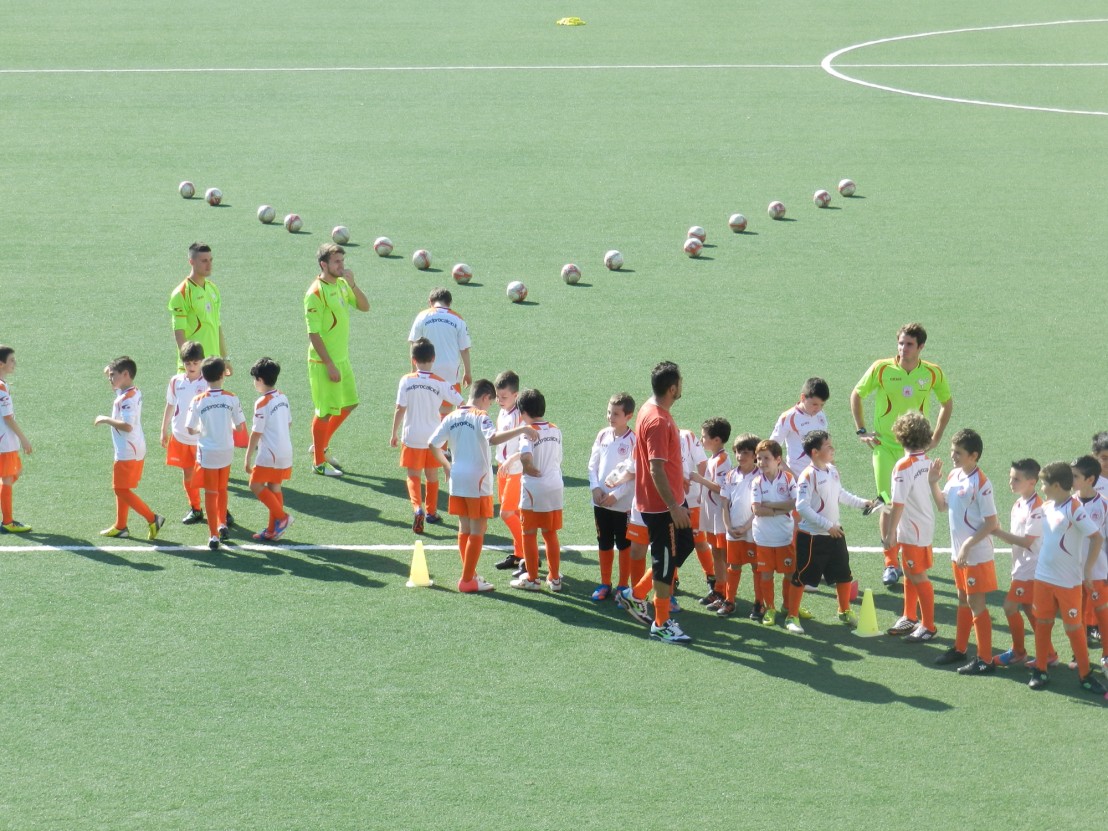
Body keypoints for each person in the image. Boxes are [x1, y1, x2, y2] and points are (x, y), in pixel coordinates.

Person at [851, 323, 953, 587]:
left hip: (916, 450)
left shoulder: (932, 373)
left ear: (920, 347)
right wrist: (861, 430)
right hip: (885, 447)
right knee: (887, 501)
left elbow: (946, 402)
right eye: (900, 343)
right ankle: (890, 562)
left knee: (915, 502)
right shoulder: (882, 368)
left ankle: (916, 557)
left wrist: (937, 436)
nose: (902, 348)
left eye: (909, 344)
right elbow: (857, 394)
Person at [428, 379, 536, 593]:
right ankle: (467, 579)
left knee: (464, 528)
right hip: (477, 481)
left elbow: (432, 444)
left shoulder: (452, 416)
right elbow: (493, 439)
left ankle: (471, 574)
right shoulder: (481, 417)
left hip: (457, 478)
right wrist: (522, 429)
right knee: (478, 529)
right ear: (486, 397)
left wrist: (447, 466)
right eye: (491, 401)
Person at [618, 361, 695, 644]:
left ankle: (635, 593)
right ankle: (661, 623)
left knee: (683, 546)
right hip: (663, 507)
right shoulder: (659, 421)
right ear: (672, 388)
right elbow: (656, 468)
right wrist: (674, 506)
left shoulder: (650, 411)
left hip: (671, 501)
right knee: (664, 563)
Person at [1025, 462, 1106, 694]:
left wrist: (1088, 570)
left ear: (1057, 485)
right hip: (1043, 578)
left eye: (1044, 484)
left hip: (1068, 581)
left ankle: (1085, 675)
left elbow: (1097, 538)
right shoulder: (1049, 506)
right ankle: (1040, 670)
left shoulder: (1074, 509)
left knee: (1074, 628)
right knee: (1042, 623)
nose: (1041, 488)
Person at [789, 430, 877, 633]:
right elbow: (801, 507)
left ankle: (844, 610)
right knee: (801, 577)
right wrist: (827, 525)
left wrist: (864, 503)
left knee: (844, 574)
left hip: (835, 533)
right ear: (815, 452)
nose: (833, 449)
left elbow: (841, 494)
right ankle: (792, 616)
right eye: (828, 446)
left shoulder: (831, 470)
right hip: (812, 537)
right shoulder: (807, 476)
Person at [928, 428, 999, 674]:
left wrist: (968, 545)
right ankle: (960, 648)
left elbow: (992, 523)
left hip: (975, 555)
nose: (952, 456)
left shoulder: (981, 483)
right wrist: (933, 483)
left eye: (958, 453)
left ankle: (986, 659)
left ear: (974, 455)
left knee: (975, 602)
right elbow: (941, 506)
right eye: (952, 451)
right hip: (958, 553)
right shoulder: (954, 475)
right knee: (962, 599)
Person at [305, 243, 369, 476]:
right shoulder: (315, 293)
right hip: (323, 362)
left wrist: (352, 284)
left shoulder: (342, 284)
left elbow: (364, 306)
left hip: (342, 358)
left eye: (342, 261)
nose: (342, 265)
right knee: (324, 411)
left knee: (349, 403)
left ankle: (319, 447)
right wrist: (329, 364)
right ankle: (318, 463)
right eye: (337, 262)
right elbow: (313, 333)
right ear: (324, 265)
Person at [390, 338, 463, 532]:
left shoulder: (406, 380)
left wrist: (394, 433)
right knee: (432, 475)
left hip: (412, 435)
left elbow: (400, 408)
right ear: (433, 358)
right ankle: (431, 512)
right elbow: (461, 402)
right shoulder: (440, 382)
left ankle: (417, 508)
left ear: (413, 359)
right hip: (434, 438)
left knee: (413, 475)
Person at [93, 357, 164, 540]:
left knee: (120, 490)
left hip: (127, 451)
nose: (110, 379)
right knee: (122, 487)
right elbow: (115, 375)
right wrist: (111, 370)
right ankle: (121, 526)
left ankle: (152, 518)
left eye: (112, 376)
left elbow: (127, 425)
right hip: (133, 447)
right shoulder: (130, 389)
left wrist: (104, 419)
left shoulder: (126, 399)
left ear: (125, 375)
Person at [884, 412, 940, 642]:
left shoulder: (903, 465)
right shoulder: (927, 462)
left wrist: (890, 534)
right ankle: (909, 615)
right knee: (910, 571)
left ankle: (928, 625)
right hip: (924, 524)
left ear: (900, 437)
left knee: (917, 575)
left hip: (911, 529)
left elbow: (898, 503)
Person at [186, 357, 246, 550]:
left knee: (210, 493)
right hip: (226, 450)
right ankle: (222, 524)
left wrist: (202, 430)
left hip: (208, 452)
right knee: (223, 488)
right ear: (222, 375)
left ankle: (213, 535)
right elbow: (240, 427)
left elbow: (189, 429)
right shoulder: (232, 397)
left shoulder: (197, 400)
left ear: (203, 376)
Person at [509, 389, 565, 592]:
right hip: (555, 486)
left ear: (522, 412)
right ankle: (555, 578)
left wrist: (530, 468)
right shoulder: (555, 430)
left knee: (529, 533)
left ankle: (532, 578)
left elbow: (525, 456)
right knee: (550, 533)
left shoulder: (528, 431)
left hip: (535, 489)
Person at [989, 458, 1043, 665]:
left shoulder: (1037, 508)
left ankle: (1019, 651)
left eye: (1016, 479)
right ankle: (1049, 653)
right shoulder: (1019, 503)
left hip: (1031, 569)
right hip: (1020, 566)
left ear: (1031, 481)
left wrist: (997, 532)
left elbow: (1027, 541)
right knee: (1029, 609)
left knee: (1010, 607)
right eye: (1011, 477)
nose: (1011, 482)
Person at [587, 393, 636, 601]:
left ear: (628, 416)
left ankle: (623, 586)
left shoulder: (634, 441)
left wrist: (616, 495)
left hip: (622, 505)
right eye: (609, 412)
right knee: (604, 542)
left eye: (616, 413)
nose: (610, 417)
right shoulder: (602, 435)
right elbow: (592, 465)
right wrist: (595, 488)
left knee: (624, 545)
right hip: (600, 502)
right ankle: (605, 583)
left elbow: (634, 474)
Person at [244, 358, 293, 541]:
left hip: (269, 454)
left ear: (260, 380)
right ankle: (273, 531)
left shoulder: (261, 403)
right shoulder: (282, 396)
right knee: (274, 487)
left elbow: (256, 432)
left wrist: (247, 457)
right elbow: (289, 423)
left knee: (254, 485)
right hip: (285, 451)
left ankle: (282, 518)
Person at [161, 341, 209, 525]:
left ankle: (222, 511)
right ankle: (196, 508)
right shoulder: (176, 381)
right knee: (188, 474)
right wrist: (163, 430)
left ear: (202, 362)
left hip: (201, 439)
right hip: (180, 436)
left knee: (208, 476)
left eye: (195, 363)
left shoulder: (207, 382)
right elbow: (170, 405)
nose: (191, 367)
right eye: (188, 363)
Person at [752, 439, 798, 629]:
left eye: (766, 458)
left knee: (789, 573)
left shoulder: (788, 479)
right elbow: (756, 509)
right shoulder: (756, 481)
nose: (761, 462)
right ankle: (769, 608)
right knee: (765, 575)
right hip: (763, 537)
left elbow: (794, 503)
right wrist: (780, 508)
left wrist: (769, 505)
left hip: (784, 536)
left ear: (778, 459)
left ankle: (788, 606)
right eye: (759, 458)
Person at [169, 243, 231, 374]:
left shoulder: (213, 289)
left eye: (210, 260)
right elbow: (179, 333)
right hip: (194, 369)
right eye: (204, 261)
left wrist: (225, 358)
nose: (209, 265)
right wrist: (190, 366)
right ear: (191, 262)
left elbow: (217, 326)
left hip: (214, 365)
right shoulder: (182, 293)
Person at [1071, 456, 1108, 675]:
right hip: (1073, 572)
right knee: (1077, 614)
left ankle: (1106, 653)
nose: (1071, 480)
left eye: (1075, 476)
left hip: (1096, 571)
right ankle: (1079, 652)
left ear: (1090, 479)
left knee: (1102, 614)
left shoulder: (1103, 505)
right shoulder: (1068, 502)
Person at [408, 288, 473, 411]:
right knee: (445, 413)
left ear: (430, 302)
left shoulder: (422, 316)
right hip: (450, 370)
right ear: (449, 303)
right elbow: (464, 349)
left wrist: (413, 369)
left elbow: (414, 344)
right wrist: (467, 372)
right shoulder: (458, 319)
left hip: (426, 368)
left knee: (427, 410)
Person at [720, 433, 761, 618]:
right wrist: (728, 526)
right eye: (737, 452)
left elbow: (760, 507)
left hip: (754, 531)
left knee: (757, 567)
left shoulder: (761, 476)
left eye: (745, 452)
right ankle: (730, 601)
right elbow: (724, 504)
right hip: (733, 530)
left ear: (755, 455)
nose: (740, 456)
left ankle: (759, 603)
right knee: (733, 566)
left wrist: (746, 527)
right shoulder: (730, 476)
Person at [694, 417, 732, 608]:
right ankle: (718, 589)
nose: (702, 441)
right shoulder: (714, 459)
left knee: (723, 555)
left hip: (719, 515)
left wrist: (698, 479)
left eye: (704, 437)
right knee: (716, 552)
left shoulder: (723, 460)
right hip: (711, 514)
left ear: (716, 440)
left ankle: (726, 594)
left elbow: (721, 488)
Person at [492, 371, 526, 571]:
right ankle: (520, 555)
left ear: (516, 395)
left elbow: (525, 446)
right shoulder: (503, 411)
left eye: (504, 397)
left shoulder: (519, 416)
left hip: (515, 471)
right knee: (515, 513)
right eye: (497, 396)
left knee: (506, 513)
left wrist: (510, 460)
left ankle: (529, 556)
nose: (499, 400)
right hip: (502, 469)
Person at [0, 345, 33, 534]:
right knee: (7, 478)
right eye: (11, 360)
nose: (15, 363)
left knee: (16, 471)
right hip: (5, 441)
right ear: (1, 363)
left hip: (4, 440)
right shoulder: (1, 387)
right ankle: (8, 521)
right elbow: (8, 417)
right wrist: (24, 439)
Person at [770, 377, 830, 477]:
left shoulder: (821, 415)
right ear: (802, 397)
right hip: (798, 477)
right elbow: (771, 450)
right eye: (815, 404)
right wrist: (792, 477)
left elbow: (825, 445)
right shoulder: (789, 417)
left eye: (822, 405)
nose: (818, 408)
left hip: (820, 476)